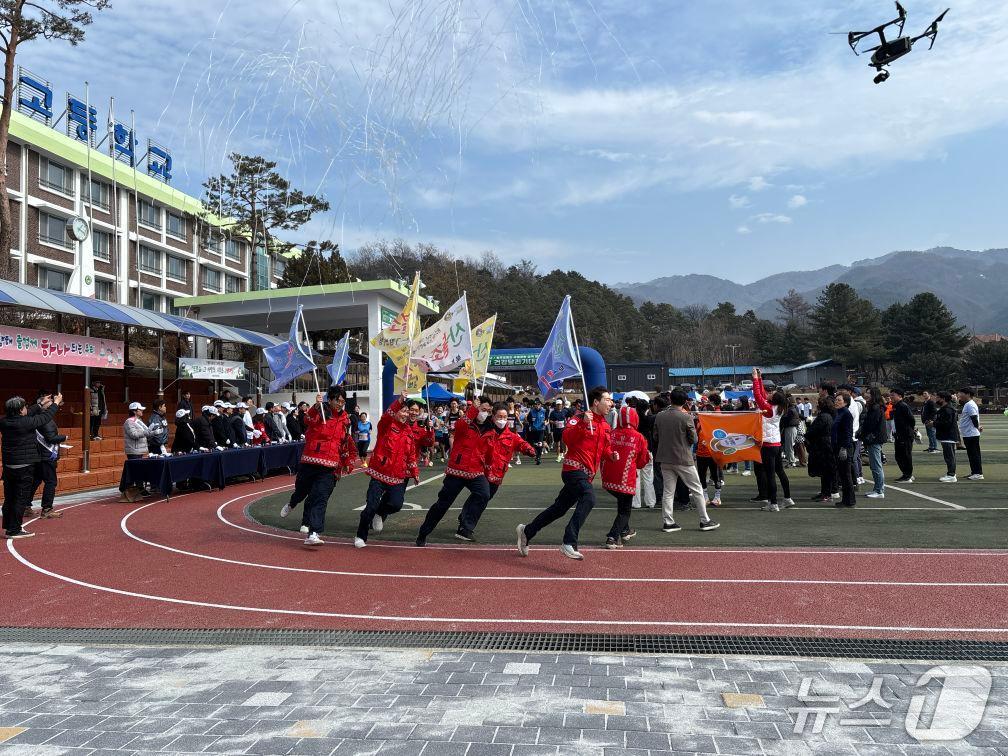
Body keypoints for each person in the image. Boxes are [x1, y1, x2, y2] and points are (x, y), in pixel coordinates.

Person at [517, 387, 619, 561]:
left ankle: (527, 531)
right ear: (596, 402)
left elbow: (603, 448)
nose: (611, 403)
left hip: (587, 474)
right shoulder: (578, 418)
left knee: (559, 509)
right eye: (607, 400)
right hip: (573, 470)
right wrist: (583, 424)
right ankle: (569, 542)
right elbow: (567, 439)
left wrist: (611, 455)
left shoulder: (605, 425)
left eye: (611, 400)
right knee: (589, 498)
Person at [437, 402, 536, 547]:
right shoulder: (486, 430)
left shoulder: (510, 435)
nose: (502, 419)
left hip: (497, 476)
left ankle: (464, 518)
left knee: (481, 500)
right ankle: (465, 527)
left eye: (505, 416)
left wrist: (529, 449)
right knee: (480, 498)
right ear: (493, 416)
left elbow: (521, 443)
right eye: (499, 416)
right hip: (480, 473)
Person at [280, 387, 357, 545]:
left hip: (329, 467)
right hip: (311, 460)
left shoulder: (345, 419)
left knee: (320, 498)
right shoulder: (320, 412)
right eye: (337, 400)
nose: (340, 404)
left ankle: (313, 533)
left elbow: (344, 442)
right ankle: (292, 503)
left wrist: (346, 462)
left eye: (343, 401)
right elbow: (307, 420)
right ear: (330, 400)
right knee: (301, 491)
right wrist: (316, 407)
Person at [417, 398, 494, 544]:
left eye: (488, 411)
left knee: (484, 494)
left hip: (476, 471)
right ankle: (423, 532)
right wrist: (473, 410)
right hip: (456, 471)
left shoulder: (490, 429)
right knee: (442, 504)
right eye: (483, 410)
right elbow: (459, 426)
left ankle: (466, 527)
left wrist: (489, 468)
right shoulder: (465, 423)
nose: (485, 413)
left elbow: (489, 450)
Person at [653, 388, 720, 533]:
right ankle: (705, 520)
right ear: (685, 402)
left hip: (665, 458)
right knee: (697, 489)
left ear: (671, 399)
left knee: (668, 492)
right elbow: (694, 439)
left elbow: (656, 437)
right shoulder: (686, 417)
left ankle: (668, 522)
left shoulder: (660, 416)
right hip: (683, 458)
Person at [356, 393, 413, 548]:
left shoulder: (408, 431)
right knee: (370, 505)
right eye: (403, 411)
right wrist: (399, 401)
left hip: (397, 476)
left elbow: (411, 453)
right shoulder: (386, 425)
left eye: (407, 412)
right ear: (396, 412)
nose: (405, 414)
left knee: (396, 504)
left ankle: (380, 513)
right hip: (380, 473)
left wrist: (414, 472)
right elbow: (387, 416)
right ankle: (361, 535)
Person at [2, 393, 62, 538]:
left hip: (9, 466)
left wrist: (41, 404)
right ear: (21, 410)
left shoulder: (4, 422)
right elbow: (45, 417)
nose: (26, 409)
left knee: (9, 498)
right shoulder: (26, 423)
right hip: (24, 468)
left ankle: (9, 526)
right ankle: (14, 530)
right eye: (24, 407)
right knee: (20, 499)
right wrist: (55, 403)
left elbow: (34, 413)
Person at [600, 405, 651, 549]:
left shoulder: (612, 432)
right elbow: (641, 463)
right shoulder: (639, 437)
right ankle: (612, 537)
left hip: (608, 478)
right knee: (625, 511)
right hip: (625, 479)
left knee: (621, 503)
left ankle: (625, 530)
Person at [751, 369, 795, 512]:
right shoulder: (778, 407)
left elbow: (758, 395)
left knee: (770, 474)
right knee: (780, 471)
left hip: (768, 445)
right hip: (776, 444)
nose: (768, 394)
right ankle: (787, 498)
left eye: (771, 394)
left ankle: (773, 503)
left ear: (773, 399)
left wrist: (755, 379)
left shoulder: (769, 409)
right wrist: (759, 377)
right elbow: (762, 394)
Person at [30, 391, 65, 520]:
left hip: (39, 455)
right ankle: (47, 509)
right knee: (51, 481)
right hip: (47, 456)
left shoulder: (36, 419)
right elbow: (51, 438)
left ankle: (26, 506)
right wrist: (64, 437)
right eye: (49, 403)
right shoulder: (46, 420)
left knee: (36, 480)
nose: (52, 405)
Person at [119, 401, 157, 499]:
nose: (142, 411)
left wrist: (153, 432)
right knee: (135, 471)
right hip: (133, 450)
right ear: (135, 411)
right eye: (140, 409)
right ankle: (136, 489)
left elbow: (146, 432)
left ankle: (140, 488)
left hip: (140, 449)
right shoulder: (129, 422)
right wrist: (147, 432)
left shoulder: (139, 421)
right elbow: (134, 435)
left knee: (139, 470)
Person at [858, 387, 887, 498]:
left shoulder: (875, 408)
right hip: (874, 439)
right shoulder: (874, 407)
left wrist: (863, 433)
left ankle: (879, 490)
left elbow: (871, 425)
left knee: (876, 466)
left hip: (874, 439)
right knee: (875, 465)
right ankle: (877, 489)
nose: (866, 394)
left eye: (869, 393)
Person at [694, 393, 723, 507]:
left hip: (713, 454)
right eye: (704, 410)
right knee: (701, 476)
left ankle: (717, 497)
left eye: (708, 411)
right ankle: (705, 497)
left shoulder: (716, 423)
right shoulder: (699, 424)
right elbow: (696, 437)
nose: (706, 412)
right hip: (701, 454)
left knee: (715, 476)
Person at [806, 397, 836, 502]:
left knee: (825, 471)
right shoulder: (828, 416)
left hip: (822, 445)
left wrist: (808, 430)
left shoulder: (823, 417)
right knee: (825, 471)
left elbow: (813, 431)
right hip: (825, 444)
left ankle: (826, 493)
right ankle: (825, 493)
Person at [631, 397, 658, 510]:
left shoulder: (634, 420)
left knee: (636, 478)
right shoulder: (650, 419)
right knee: (648, 477)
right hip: (647, 450)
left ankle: (636, 503)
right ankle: (650, 502)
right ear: (647, 408)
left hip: (635, 450)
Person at [831, 393, 856, 508]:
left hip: (844, 447)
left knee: (846, 475)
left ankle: (849, 501)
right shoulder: (839, 413)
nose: (836, 402)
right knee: (843, 475)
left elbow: (848, 433)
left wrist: (844, 448)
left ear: (845, 402)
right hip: (838, 447)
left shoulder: (846, 414)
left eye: (839, 400)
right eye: (836, 400)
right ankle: (846, 499)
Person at [957, 387, 983, 480]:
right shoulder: (968, 404)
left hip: (971, 434)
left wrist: (978, 427)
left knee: (974, 454)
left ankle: (978, 473)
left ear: (967, 394)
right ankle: (974, 472)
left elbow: (974, 417)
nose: (959, 395)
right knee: (971, 454)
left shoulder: (970, 405)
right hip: (968, 433)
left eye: (961, 393)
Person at [890, 388, 915, 483]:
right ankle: (907, 473)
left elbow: (911, 420)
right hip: (899, 435)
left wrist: (907, 431)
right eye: (891, 395)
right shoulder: (896, 406)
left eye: (893, 395)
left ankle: (907, 475)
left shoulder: (903, 406)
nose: (891, 397)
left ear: (900, 396)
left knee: (905, 455)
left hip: (905, 435)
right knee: (899, 455)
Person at [934, 391, 959, 482]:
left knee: (949, 456)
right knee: (948, 456)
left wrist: (934, 423)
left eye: (938, 397)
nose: (936, 399)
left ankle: (951, 475)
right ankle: (951, 473)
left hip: (949, 436)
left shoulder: (947, 409)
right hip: (946, 436)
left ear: (943, 399)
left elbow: (947, 423)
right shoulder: (945, 408)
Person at [779, 395, 800, 467]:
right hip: (791, 428)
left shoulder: (790, 410)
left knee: (789, 446)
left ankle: (792, 461)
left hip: (790, 428)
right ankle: (791, 460)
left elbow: (785, 419)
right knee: (789, 445)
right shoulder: (793, 409)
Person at [526, 398, 547, 465]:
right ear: (534, 405)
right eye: (536, 404)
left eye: (538, 404)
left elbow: (547, 419)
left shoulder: (544, 411)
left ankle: (538, 458)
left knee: (540, 444)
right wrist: (530, 426)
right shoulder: (531, 412)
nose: (537, 405)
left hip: (541, 430)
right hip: (533, 430)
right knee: (534, 445)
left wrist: (545, 422)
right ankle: (536, 455)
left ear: (540, 405)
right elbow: (528, 420)